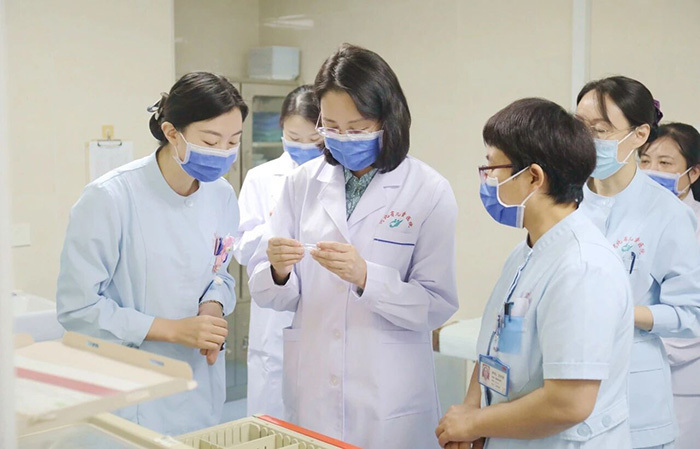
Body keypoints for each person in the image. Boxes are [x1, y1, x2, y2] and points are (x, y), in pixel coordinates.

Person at [246, 43, 458, 449]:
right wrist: (277, 270)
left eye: (357, 128)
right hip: (314, 387)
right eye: (331, 126)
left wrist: (366, 278)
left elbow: (437, 305)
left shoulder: (428, 190)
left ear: (388, 119)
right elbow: (271, 295)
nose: (343, 139)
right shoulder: (302, 183)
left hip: (387, 396)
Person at [436, 98, 634, 449]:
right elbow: (499, 347)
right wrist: (473, 412)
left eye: (493, 167)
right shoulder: (527, 252)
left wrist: (475, 422)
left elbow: (569, 403)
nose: (488, 180)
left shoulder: (583, 267)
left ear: (533, 177)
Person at [57, 72, 246, 435]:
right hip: (129, 394)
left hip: (198, 388)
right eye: (211, 140)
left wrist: (212, 306)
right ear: (172, 132)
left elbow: (219, 272)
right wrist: (171, 330)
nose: (223, 152)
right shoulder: (110, 198)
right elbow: (77, 308)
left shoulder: (221, 195)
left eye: (233, 141)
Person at [576, 76, 700, 449]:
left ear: (639, 134)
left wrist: (624, 313)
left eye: (600, 131)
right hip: (563, 391)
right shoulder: (563, 200)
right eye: (579, 127)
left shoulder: (668, 213)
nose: (586, 139)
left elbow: (691, 314)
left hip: (635, 401)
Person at [233, 84, 323, 418]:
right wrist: (274, 226)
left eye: (313, 140)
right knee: (271, 412)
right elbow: (241, 248)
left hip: (320, 307)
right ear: (281, 128)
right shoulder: (261, 178)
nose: (303, 147)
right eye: (294, 137)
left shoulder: (336, 178)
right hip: (272, 314)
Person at [639, 123, 700, 449]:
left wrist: (651, 353)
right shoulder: (634, 218)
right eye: (645, 161)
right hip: (635, 370)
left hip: (685, 379)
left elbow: (693, 315)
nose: (651, 171)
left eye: (665, 163)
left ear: (693, 173)